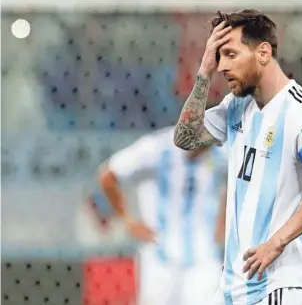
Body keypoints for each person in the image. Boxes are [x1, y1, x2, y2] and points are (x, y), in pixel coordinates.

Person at [173, 9, 302, 305]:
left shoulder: (300, 112)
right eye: (218, 56)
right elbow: (185, 139)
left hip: (279, 285)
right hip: (234, 289)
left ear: (263, 52)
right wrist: (203, 71)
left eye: (230, 54)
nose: (222, 66)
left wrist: (276, 243)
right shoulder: (237, 107)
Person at [97, 126, 227, 305]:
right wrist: (128, 221)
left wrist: (224, 221)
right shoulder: (155, 148)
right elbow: (108, 175)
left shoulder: (221, 152)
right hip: (160, 256)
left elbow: (241, 181)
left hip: (203, 257)